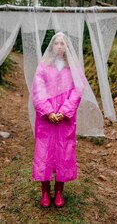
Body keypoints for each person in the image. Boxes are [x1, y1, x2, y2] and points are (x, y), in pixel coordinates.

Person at [31, 32, 84, 208]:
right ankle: (45, 192)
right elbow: (38, 90)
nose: (60, 46)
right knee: (44, 153)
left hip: (65, 120)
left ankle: (59, 191)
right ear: (52, 46)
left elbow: (78, 90)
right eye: (57, 43)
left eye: (62, 43)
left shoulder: (73, 68)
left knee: (64, 153)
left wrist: (64, 111)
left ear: (66, 47)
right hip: (46, 119)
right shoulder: (43, 67)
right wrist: (48, 111)